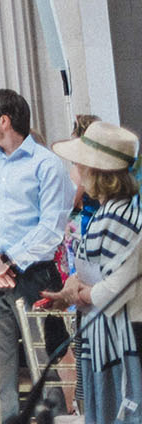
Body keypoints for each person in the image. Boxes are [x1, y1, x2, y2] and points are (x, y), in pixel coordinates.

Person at [0, 87, 74, 421]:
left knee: (44, 364)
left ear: (4, 121)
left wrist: (8, 259)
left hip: (34, 276)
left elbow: (52, 227)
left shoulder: (47, 164)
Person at [40, 121, 142, 423]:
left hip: (125, 339)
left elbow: (121, 285)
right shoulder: (104, 214)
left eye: (78, 163)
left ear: (95, 172)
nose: (75, 170)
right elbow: (88, 267)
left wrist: (81, 293)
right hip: (102, 335)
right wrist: (69, 291)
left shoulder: (124, 216)